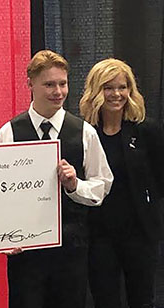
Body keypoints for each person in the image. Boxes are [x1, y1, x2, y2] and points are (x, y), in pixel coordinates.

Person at [0, 49, 113, 308]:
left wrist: (74, 185)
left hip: (71, 247)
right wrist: (3, 236)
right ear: (30, 84)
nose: (58, 91)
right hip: (25, 249)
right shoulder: (9, 132)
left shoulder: (84, 132)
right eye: (49, 84)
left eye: (62, 83)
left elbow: (102, 184)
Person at [79, 58, 164, 308]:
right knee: (105, 300)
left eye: (122, 87)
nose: (116, 94)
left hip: (139, 234)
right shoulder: (83, 133)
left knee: (142, 300)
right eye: (108, 87)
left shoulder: (147, 131)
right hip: (99, 235)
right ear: (96, 91)